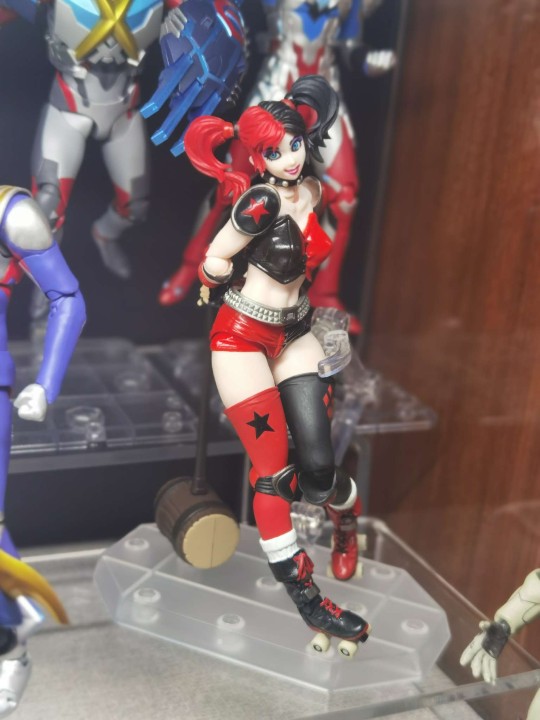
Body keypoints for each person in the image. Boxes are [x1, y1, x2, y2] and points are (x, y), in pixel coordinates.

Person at [184, 75, 368, 656]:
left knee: (317, 472)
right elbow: (216, 255)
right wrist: (214, 276)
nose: (288, 158)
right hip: (242, 335)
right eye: (272, 151)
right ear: (256, 157)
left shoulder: (312, 189)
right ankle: (309, 600)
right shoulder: (258, 202)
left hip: (296, 332)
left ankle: (346, 519)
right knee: (272, 475)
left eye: (293, 144)